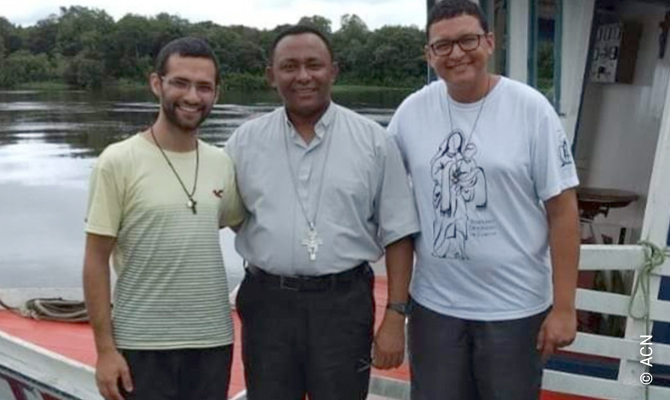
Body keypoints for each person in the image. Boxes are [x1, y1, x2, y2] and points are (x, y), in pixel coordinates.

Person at [387, 1, 581, 399]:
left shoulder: (531, 110)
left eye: (468, 40)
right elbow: (382, 192)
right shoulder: (411, 112)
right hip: (435, 309)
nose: (457, 53)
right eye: (443, 45)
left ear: (489, 42)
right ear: (429, 54)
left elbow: (562, 211)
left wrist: (564, 307)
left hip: (515, 310)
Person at [225, 25, 420, 400]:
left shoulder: (373, 141)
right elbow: (227, 213)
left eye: (314, 65)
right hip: (268, 303)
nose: (303, 76)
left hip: (343, 305)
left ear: (334, 70)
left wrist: (396, 314)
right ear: (271, 75)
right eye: (289, 66)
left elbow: (398, 233)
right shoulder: (244, 143)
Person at [82, 37, 244, 400]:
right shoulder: (118, 161)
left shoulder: (222, 163)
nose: (192, 96)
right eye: (180, 83)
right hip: (141, 343)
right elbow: (95, 260)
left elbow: (243, 224)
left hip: (212, 340)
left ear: (216, 93)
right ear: (157, 83)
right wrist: (106, 351)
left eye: (204, 87)